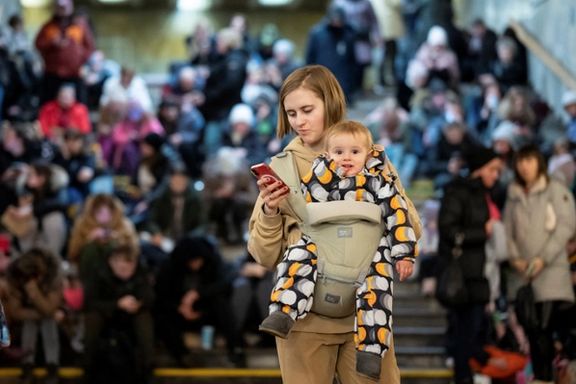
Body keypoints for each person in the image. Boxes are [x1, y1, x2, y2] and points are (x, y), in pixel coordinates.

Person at [247, 64, 420, 384]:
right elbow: (263, 254)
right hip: (303, 321)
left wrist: (373, 206)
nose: (299, 121)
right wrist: (271, 212)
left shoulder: (370, 156)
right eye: (292, 113)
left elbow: (411, 226)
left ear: (331, 103)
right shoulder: (281, 168)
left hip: (367, 316)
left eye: (307, 110)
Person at [504, 145, 576, 383]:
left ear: (539, 163)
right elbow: (507, 230)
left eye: (529, 161)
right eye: (520, 161)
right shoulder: (513, 193)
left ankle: (545, 377)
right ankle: (539, 377)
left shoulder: (556, 190)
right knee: (532, 330)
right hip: (522, 275)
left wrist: (542, 259)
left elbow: (565, 226)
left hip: (551, 274)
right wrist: (515, 258)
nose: (524, 166)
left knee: (544, 329)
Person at [437, 144, 503, 384]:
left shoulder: (484, 193)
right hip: (464, 276)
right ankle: (463, 377)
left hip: (479, 273)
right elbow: (448, 230)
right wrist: (482, 231)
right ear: (481, 168)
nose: (496, 175)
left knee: (473, 331)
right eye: (493, 169)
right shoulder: (458, 191)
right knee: (464, 331)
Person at [82, 244, 154, 384]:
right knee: (92, 318)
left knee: (144, 318)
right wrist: (117, 304)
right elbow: (89, 302)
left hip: (131, 314)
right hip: (106, 314)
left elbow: (150, 297)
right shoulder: (98, 273)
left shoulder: (141, 270)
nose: (127, 271)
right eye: (122, 268)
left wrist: (139, 303)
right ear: (111, 263)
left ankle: (148, 367)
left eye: (130, 267)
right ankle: (88, 367)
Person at [5, 248, 62, 384]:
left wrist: (33, 292)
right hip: (28, 318)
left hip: (56, 315)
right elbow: (16, 312)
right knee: (31, 323)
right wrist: (41, 312)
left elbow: (50, 308)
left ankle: (52, 365)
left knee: (49, 322)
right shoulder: (16, 276)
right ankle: (27, 365)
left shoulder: (54, 276)